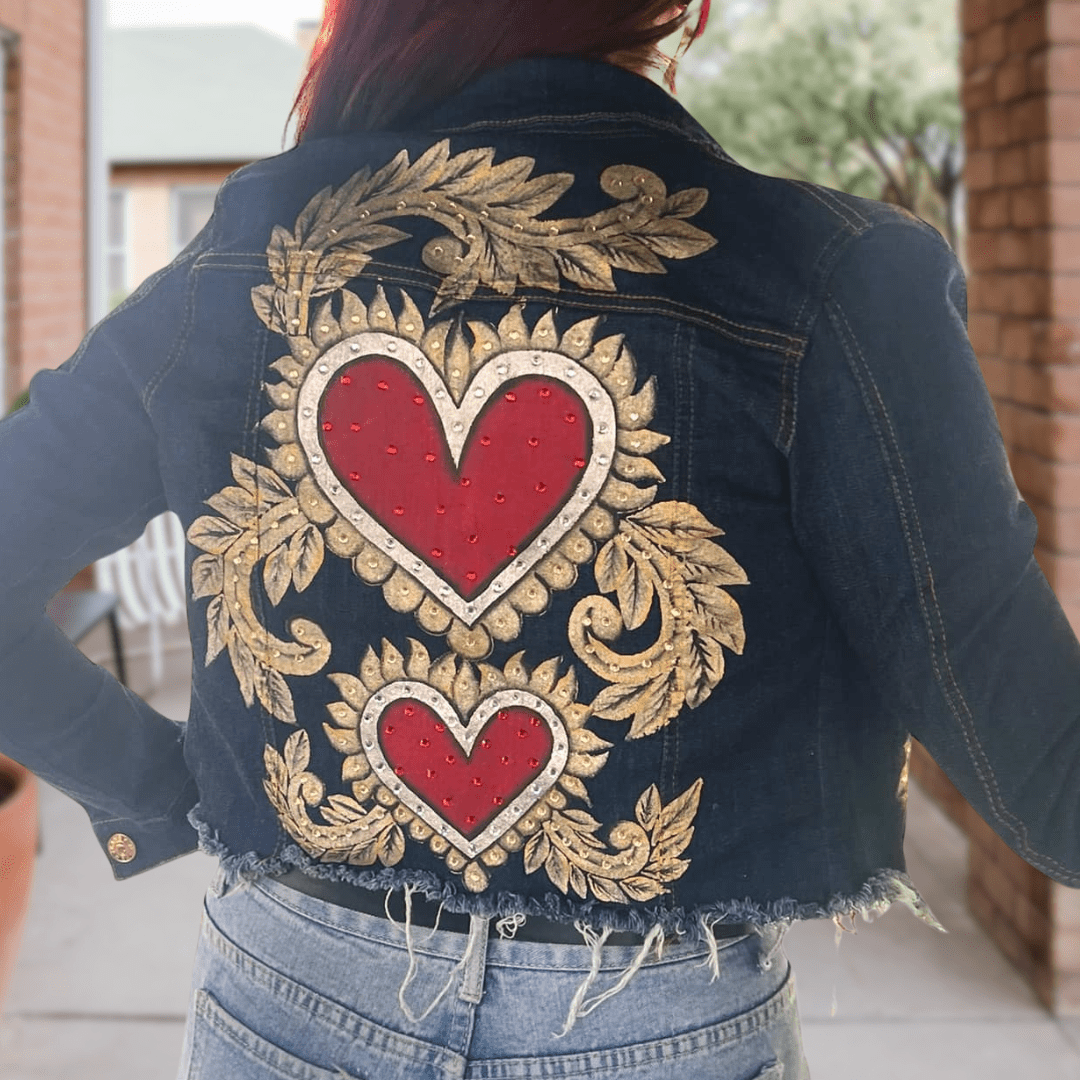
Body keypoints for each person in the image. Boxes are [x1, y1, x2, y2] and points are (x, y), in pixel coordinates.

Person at [4, 0, 1080, 1076]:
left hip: (287, 991)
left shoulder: (249, 250)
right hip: (651, 1023)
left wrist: (164, 788)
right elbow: (1036, 761)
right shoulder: (831, 272)